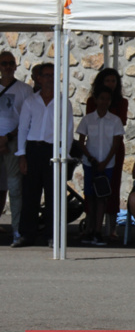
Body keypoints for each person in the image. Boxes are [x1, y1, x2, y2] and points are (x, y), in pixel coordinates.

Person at [13, 63, 75, 248]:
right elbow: (23, 128)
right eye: (45, 75)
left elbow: (68, 131)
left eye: (52, 75)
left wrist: (64, 155)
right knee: (30, 194)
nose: (48, 79)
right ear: (39, 78)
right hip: (33, 149)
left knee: (53, 195)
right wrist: (22, 155)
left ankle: (52, 235)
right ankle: (27, 235)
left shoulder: (64, 102)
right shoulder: (31, 101)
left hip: (53, 150)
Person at [77, 86, 125, 246]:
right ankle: (89, 229)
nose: (104, 102)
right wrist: (90, 158)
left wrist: (105, 162)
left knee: (102, 197)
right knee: (90, 196)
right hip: (89, 164)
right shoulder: (88, 119)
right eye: (101, 98)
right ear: (96, 100)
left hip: (107, 165)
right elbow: (81, 142)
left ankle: (98, 230)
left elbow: (116, 144)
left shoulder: (115, 120)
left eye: (107, 99)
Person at [85, 68, 129, 240]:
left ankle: (111, 227)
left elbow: (122, 121)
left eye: (113, 81)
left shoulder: (122, 102)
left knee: (112, 187)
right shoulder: (91, 101)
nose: (111, 84)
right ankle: (90, 225)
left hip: (114, 148)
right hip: (94, 148)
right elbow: (90, 119)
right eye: (107, 81)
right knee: (91, 188)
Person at [0, 51, 36, 246]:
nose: (7, 67)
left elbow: (27, 120)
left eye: (10, 63)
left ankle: (16, 230)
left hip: (13, 143)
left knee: (15, 189)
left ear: (15, 66)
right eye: (3, 63)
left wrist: (7, 138)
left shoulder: (24, 90)